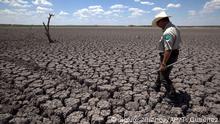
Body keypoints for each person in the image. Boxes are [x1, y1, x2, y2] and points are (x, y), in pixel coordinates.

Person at [151, 11, 182, 99]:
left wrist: (164, 63)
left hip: (169, 56)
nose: (157, 24)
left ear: (163, 21)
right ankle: (157, 86)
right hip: (171, 54)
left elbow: (168, 49)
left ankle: (172, 94)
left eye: (158, 22)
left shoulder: (168, 32)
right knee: (160, 71)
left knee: (164, 77)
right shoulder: (175, 28)